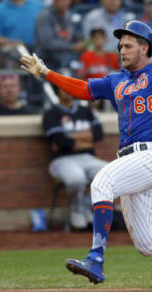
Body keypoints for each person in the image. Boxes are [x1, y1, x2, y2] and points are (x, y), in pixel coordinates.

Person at [20, 14, 152, 283]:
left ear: (145, 47)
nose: (122, 50)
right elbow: (83, 89)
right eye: (120, 46)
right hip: (131, 161)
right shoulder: (114, 81)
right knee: (148, 245)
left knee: (101, 183)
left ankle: (95, 258)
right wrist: (47, 73)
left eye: (128, 45)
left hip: (151, 155)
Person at [43, 86, 107, 229]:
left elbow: (98, 134)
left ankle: (86, 204)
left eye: (70, 87)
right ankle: (76, 207)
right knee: (76, 179)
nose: (67, 90)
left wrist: (72, 136)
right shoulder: (51, 113)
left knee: (111, 175)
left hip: (88, 158)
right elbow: (61, 142)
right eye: (63, 88)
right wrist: (85, 137)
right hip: (62, 160)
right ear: (57, 91)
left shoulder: (86, 109)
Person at [0, 0, 44, 66]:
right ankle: (10, 76)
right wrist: (14, 43)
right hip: (14, 51)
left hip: (40, 48)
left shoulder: (39, 5)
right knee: (10, 51)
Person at [34, 0, 85, 70]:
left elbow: (75, 34)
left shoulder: (69, 15)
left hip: (66, 61)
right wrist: (72, 47)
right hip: (46, 62)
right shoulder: (44, 16)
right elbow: (47, 43)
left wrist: (81, 40)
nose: (66, 2)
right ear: (55, 1)